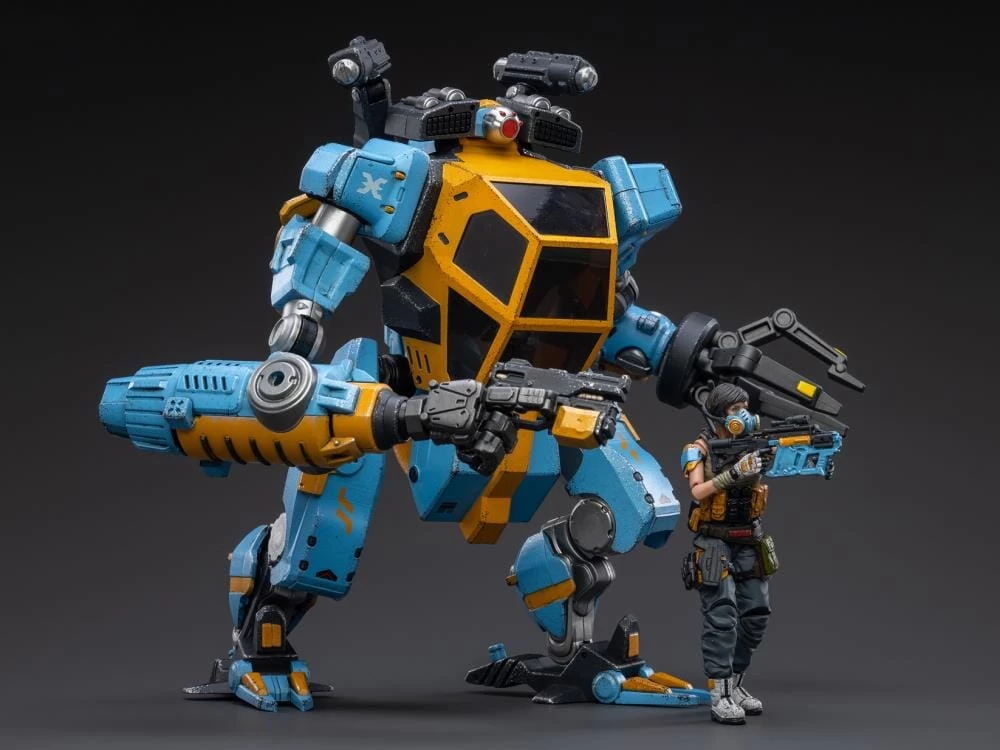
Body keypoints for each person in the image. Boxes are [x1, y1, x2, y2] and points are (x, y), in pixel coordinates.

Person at [680, 382, 778, 725]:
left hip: (749, 537)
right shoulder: (698, 449)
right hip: (714, 541)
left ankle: (735, 685)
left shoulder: (755, 443)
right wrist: (734, 473)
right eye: (736, 410)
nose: (744, 415)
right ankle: (719, 694)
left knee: (756, 614)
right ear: (719, 414)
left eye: (746, 408)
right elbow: (697, 491)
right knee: (721, 617)